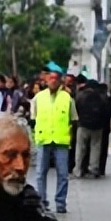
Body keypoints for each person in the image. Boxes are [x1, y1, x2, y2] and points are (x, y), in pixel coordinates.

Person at [30, 71, 76, 213]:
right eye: (51, 78)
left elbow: (73, 119)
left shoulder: (67, 98)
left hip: (61, 140)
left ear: (60, 81)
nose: (53, 81)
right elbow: (33, 118)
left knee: (63, 173)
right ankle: (42, 202)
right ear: (46, 81)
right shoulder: (38, 98)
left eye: (56, 79)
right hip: (43, 139)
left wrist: (70, 136)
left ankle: (60, 203)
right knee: (40, 173)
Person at [74, 76, 111, 177]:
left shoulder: (80, 95)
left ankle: (78, 169)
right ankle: (94, 168)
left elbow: (76, 108)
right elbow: (107, 112)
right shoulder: (101, 97)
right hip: (97, 127)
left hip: (83, 125)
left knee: (80, 148)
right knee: (95, 147)